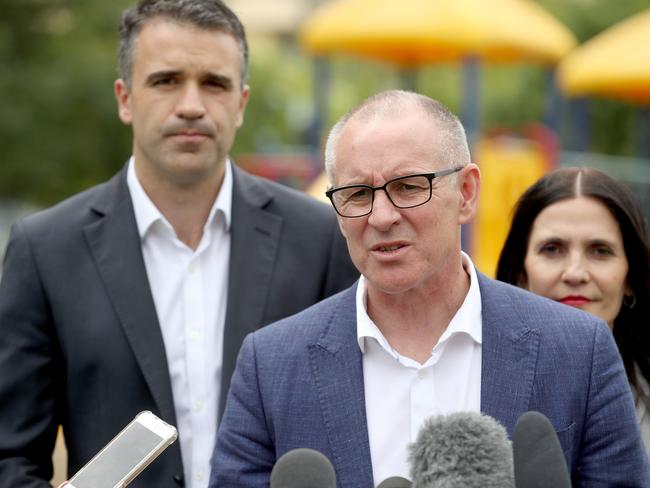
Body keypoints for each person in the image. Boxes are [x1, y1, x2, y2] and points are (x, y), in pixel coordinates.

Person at [209, 90, 650, 487]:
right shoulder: (270, 366)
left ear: (467, 192)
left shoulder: (579, 351)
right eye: (357, 194)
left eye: (407, 186)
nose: (381, 216)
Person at [0, 1, 358, 487]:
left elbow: (353, 425)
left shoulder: (320, 238)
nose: (191, 104)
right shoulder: (45, 251)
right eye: (166, 80)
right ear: (125, 99)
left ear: (241, 103)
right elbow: (11, 458)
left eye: (214, 83)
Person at [496, 166, 650, 452]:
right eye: (553, 249)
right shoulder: (477, 385)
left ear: (630, 276)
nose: (575, 273)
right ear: (520, 272)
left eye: (600, 250)